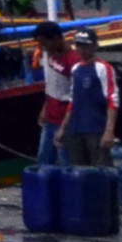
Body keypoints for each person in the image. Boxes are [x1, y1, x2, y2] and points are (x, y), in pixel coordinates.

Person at [64, 34, 117, 167]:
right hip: (75, 129)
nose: (81, 49)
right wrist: (63, 127)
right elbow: (72, 100)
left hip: (96, 129)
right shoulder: (75, 69)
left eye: (85, 45)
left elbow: (112, 100)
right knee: (78, 172)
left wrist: (109, 131)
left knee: (101, 172)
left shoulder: (103, 68)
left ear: (95, 46)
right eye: (79, 45)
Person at [33, 22, 73, 164]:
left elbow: (75, 98)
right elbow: (51, 85)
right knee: (44, 159)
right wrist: (45, 107)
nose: (44, 48)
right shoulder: (50, 54)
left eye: (45, 44)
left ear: (56, 39)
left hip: (65, 118)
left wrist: (64, 126)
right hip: (50, 116)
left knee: (66, 160)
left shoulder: (73, 60)